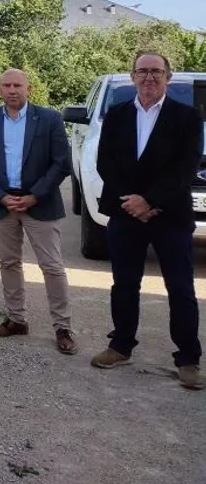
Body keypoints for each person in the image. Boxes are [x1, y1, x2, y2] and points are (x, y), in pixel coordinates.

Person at [90, 52, 204, 390]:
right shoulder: (116, 115)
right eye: (143, 71)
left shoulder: (186, 116)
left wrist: (151, 201)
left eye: (157, 71)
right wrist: (132, 201)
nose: (149, 77)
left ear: (168, 76)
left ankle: (188, 358)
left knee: (180, 287)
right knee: (124, 284)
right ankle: (120, 346)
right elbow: (105, 163)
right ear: (132, 76)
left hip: (170, 215)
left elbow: (186, 166)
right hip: (126, 213)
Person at [0, 69, 75, 355]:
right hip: (2, 203)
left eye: (18, 85)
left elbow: (61, 163)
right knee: (8, 264)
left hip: (39, 204)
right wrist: (0, 196)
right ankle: (17, 319)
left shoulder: (49, 118)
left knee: (52, 267)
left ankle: (63, 327)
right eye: (6, 85)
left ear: (28, 88)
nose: (12, 90)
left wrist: (35, 196)